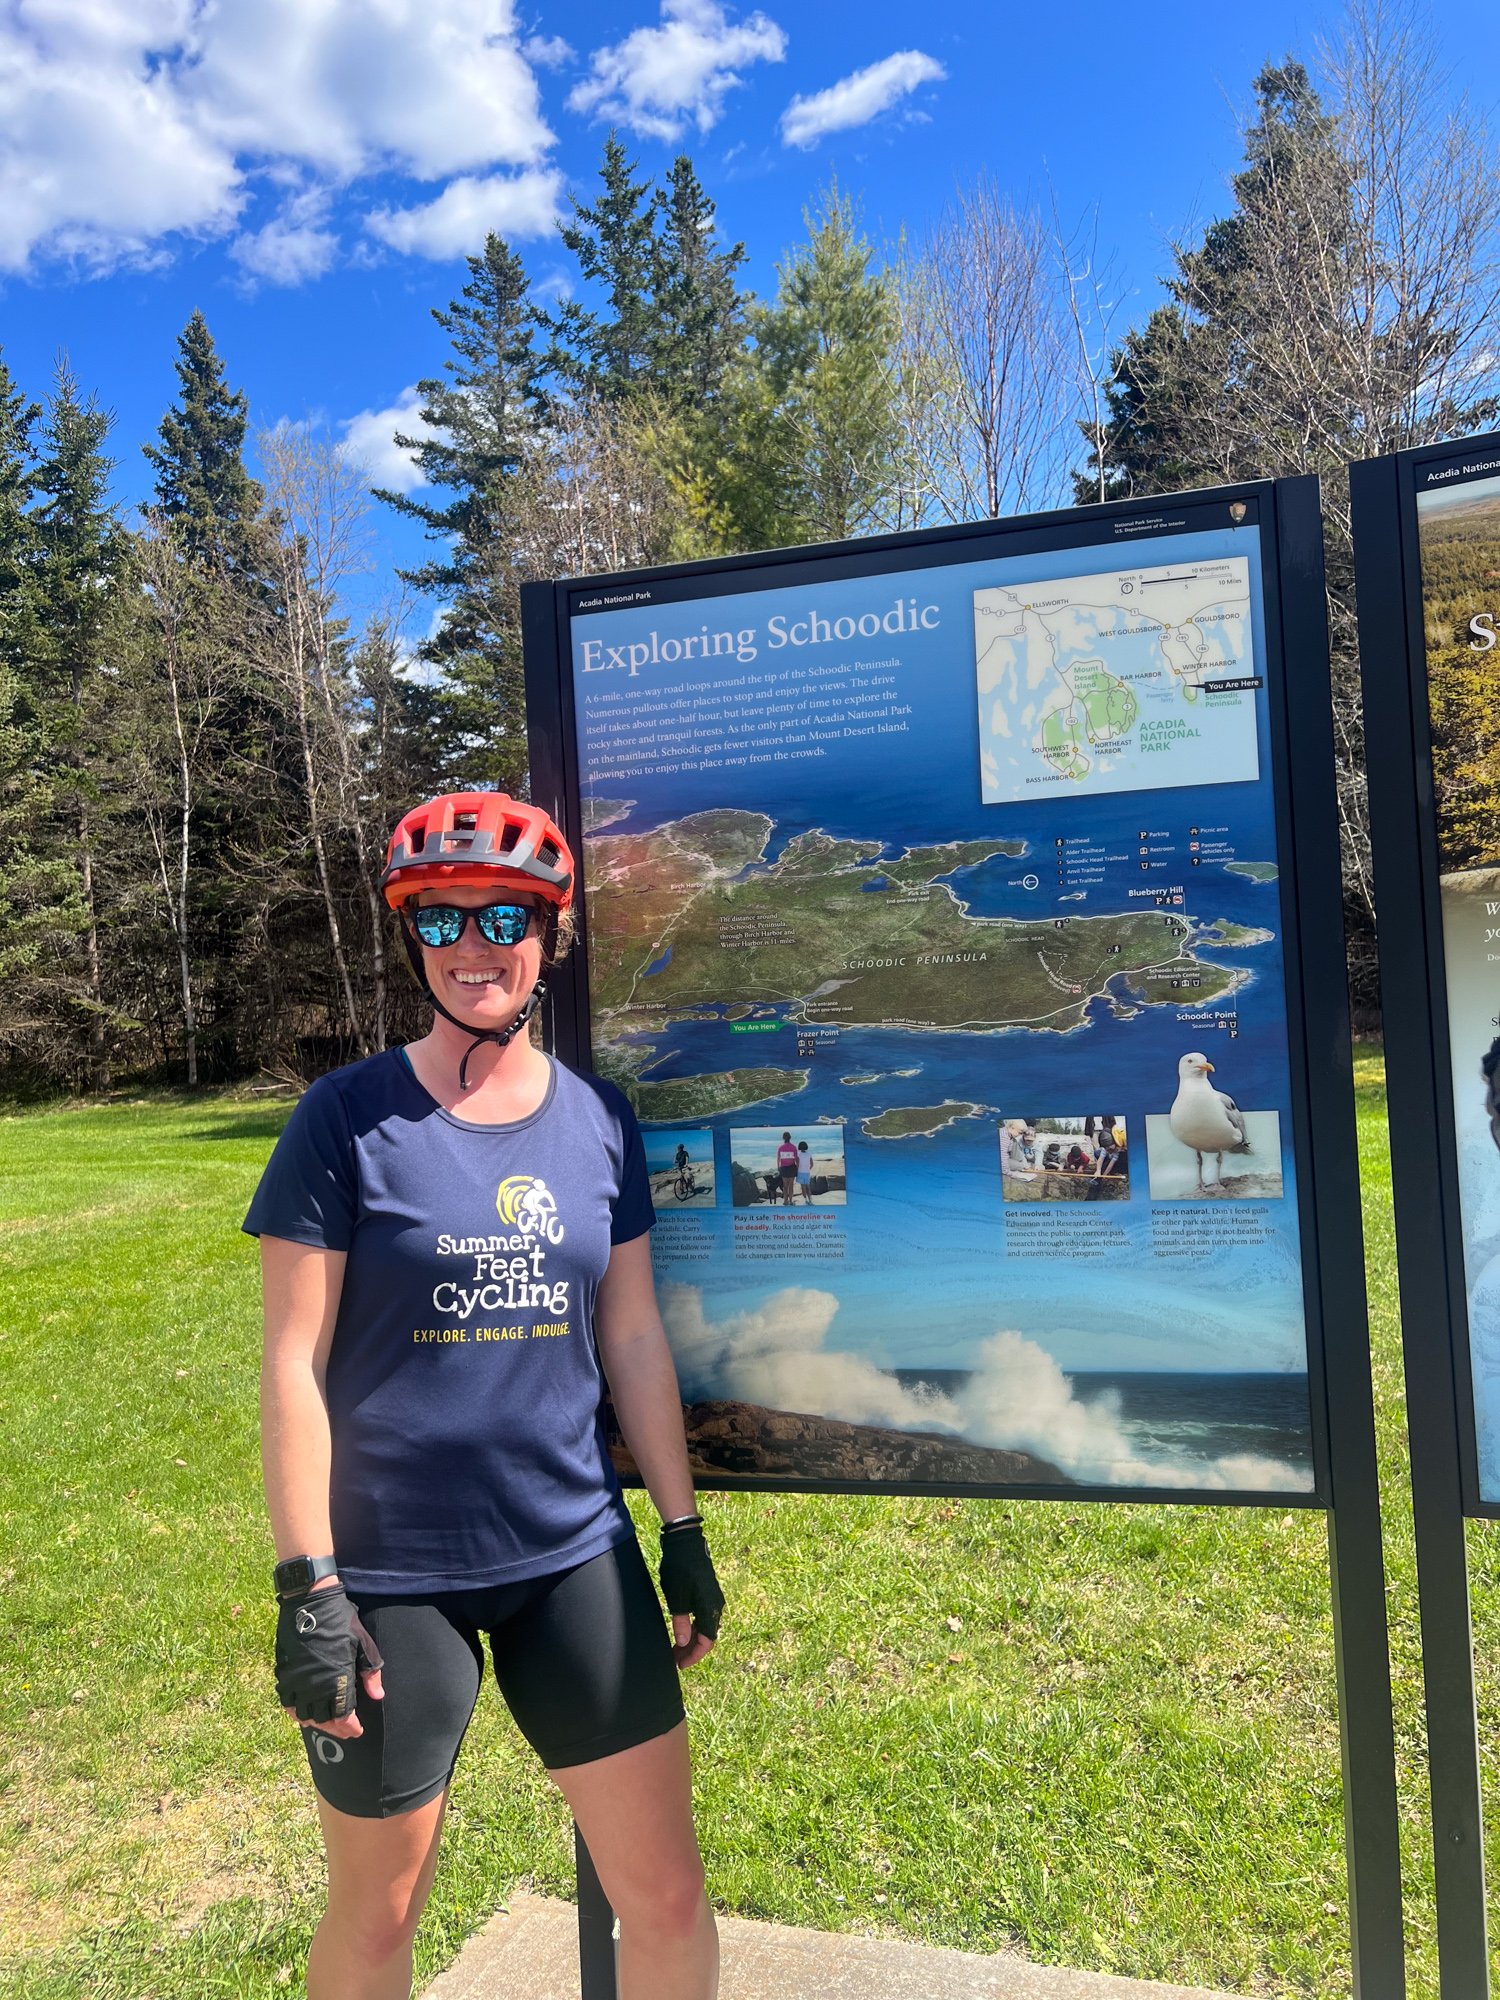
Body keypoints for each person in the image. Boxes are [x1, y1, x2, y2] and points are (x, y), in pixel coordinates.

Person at [246, 791, 725, 2000]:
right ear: (414, 937)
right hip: (390, 1575)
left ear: (547, 934)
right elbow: (292, 1362)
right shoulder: (344, 1120)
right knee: (376, 1917)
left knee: (664, 1896)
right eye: (442, 918)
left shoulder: (598, 1120)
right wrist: (309, 1583)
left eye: (504, 913)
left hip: (568, 1551)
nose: (474, 944)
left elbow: (631, 1336)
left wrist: (681, 1531)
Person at [776, 1132, 799, 1205]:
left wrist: (778, 1167)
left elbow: (778, 1159)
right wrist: (798, 1167)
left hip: (783, 1168)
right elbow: (796, 1158)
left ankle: (785, 1201)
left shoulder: (780, 1147)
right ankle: (791, 1201)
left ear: (783, 1138)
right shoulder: (793, 1147)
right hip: (792, 1167)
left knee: (785, 1186)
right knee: (791, 1185)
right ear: (790, 1138)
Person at [796, 1140, 813, 1205]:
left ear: (799, 1147)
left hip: (800, 1172)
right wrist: (808, 1169)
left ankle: (805, 1200)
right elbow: (812, 1164)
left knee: (803, 1187)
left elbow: (797, 1164)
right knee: (808, 1187)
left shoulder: (798, 1154)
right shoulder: (809, 1154)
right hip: (807, 1172)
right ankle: (810, 1200)